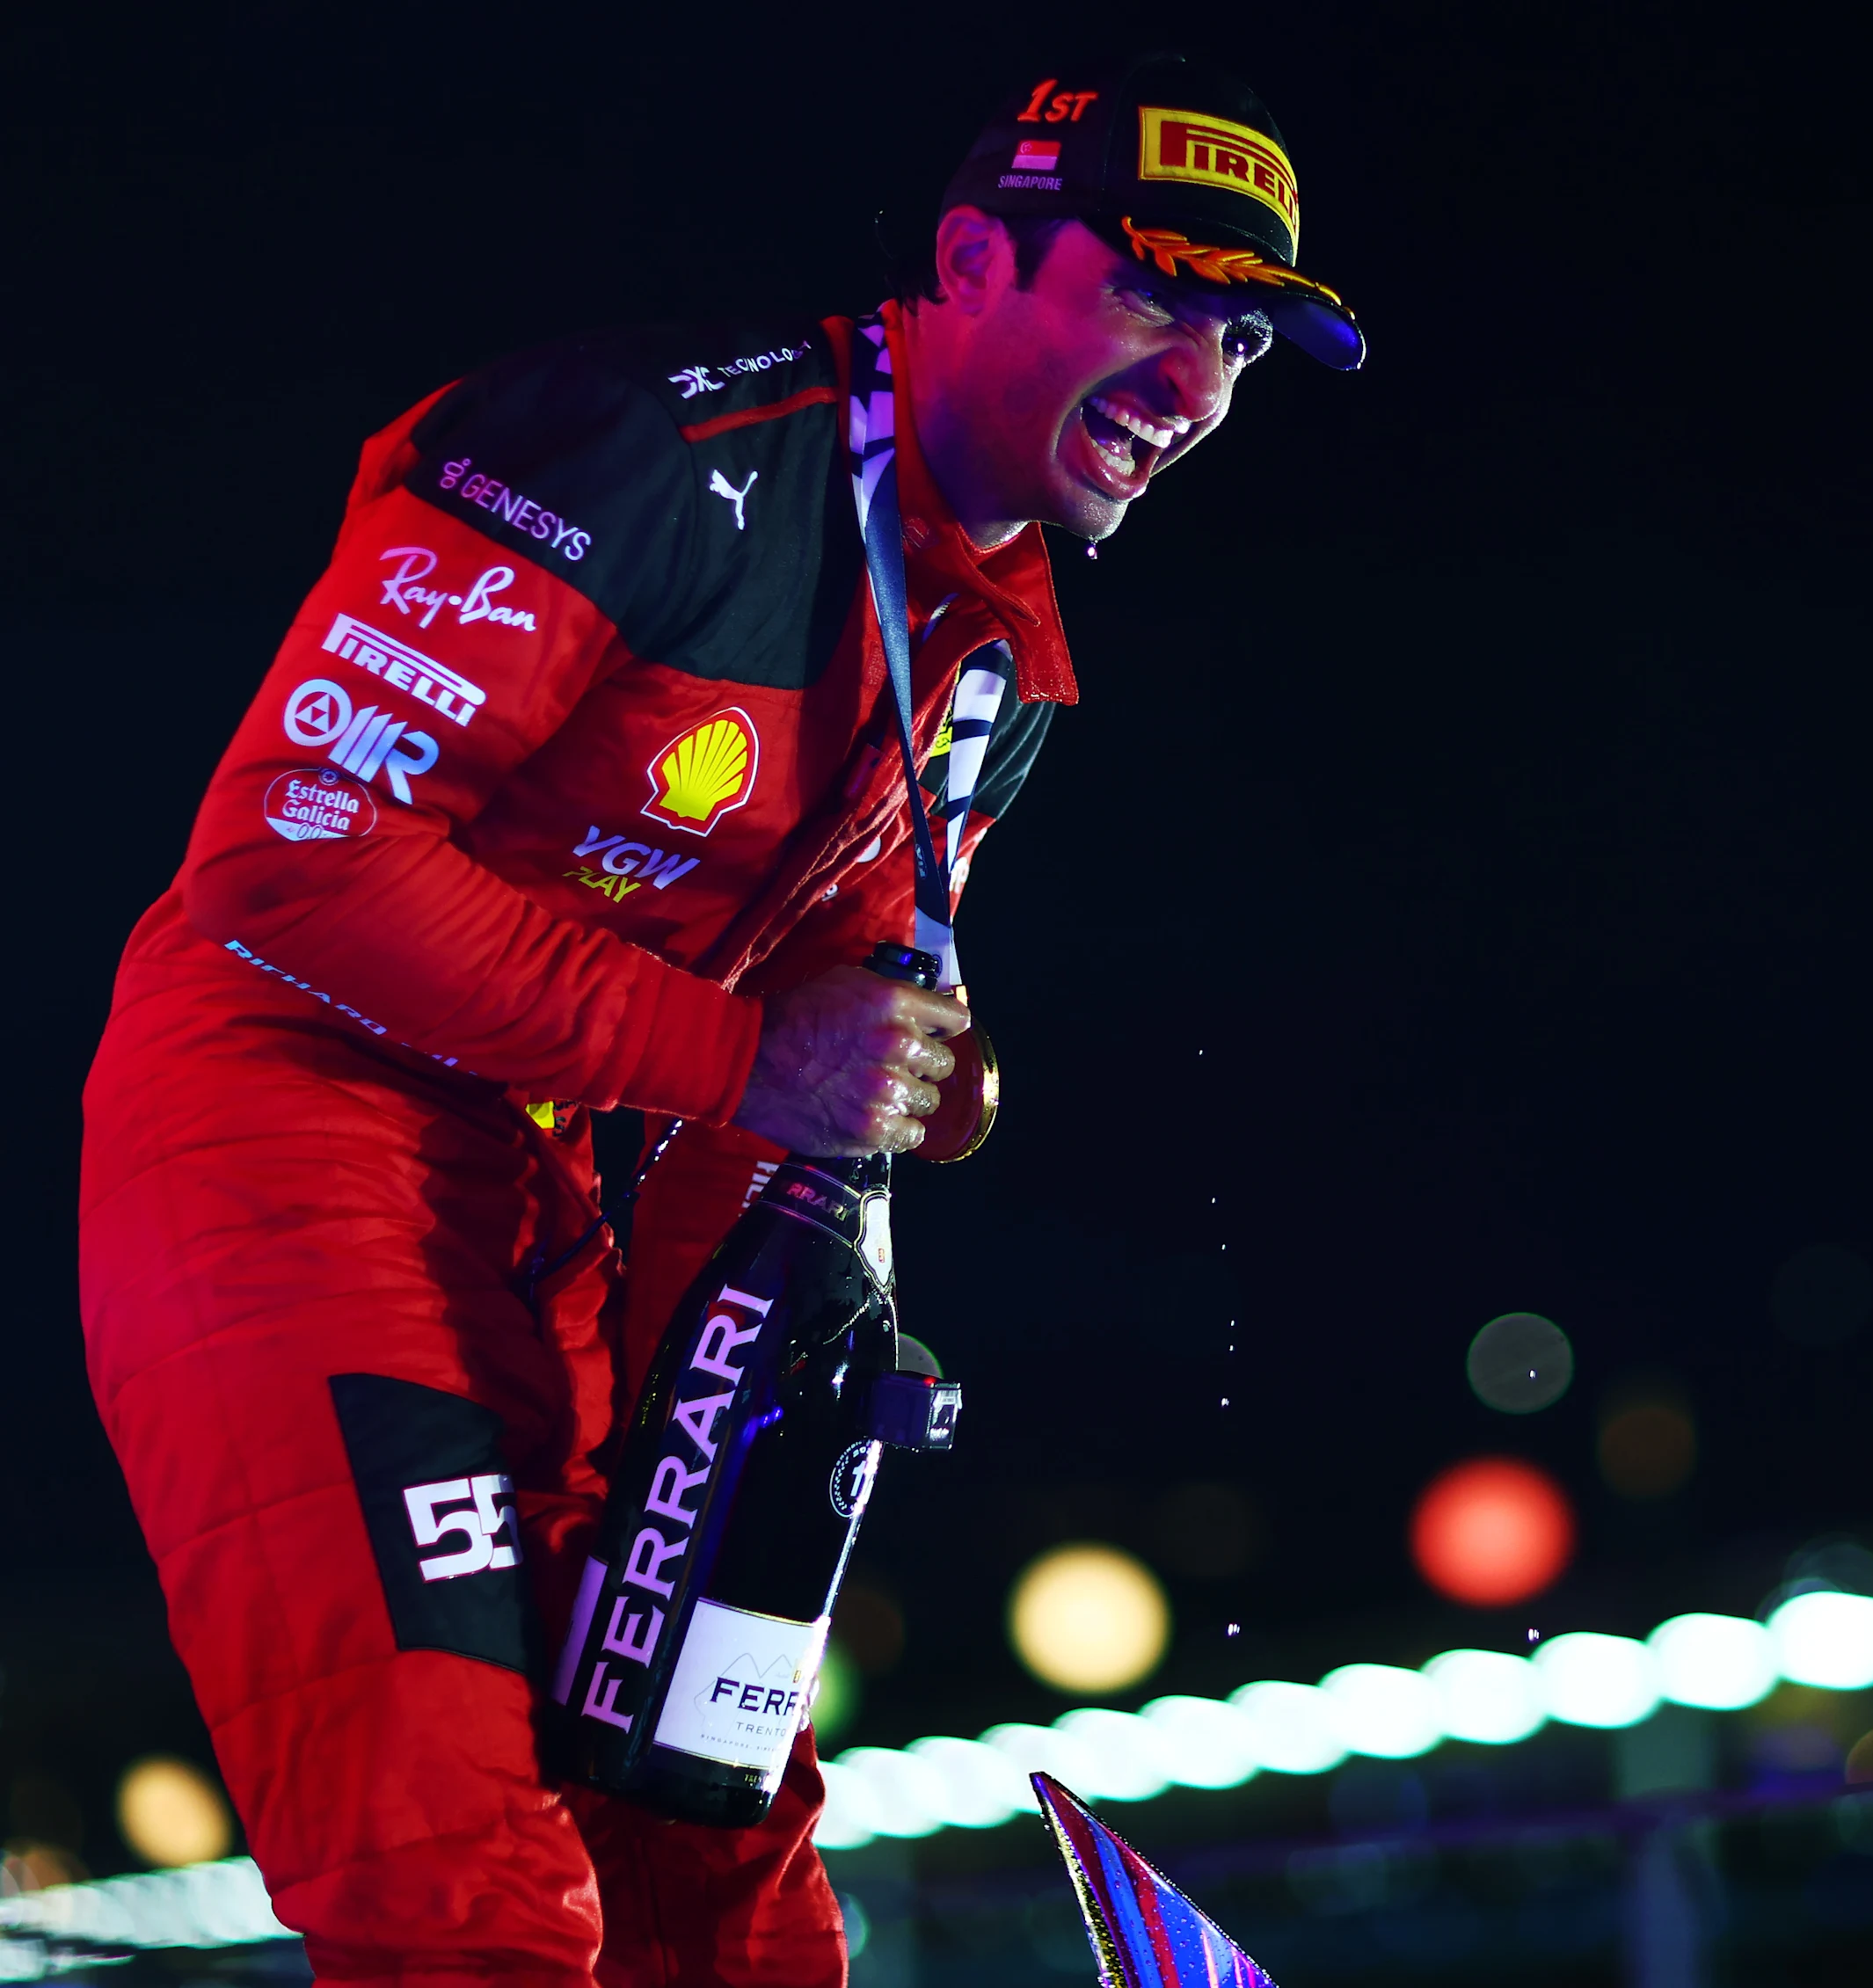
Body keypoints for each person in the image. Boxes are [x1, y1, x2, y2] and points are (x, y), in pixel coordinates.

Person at [75, 52, 1359, 1988]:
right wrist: (747, 1058)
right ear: (969, 262)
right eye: (1151, 297)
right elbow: (291, 859)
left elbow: (811, 1086)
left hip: (555, 1200)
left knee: (708, 1827)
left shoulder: (994, 654)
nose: (1197, 383)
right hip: (281, 1142)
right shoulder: (640, 449)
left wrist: (749, 1423)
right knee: (465, 1877)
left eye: (1242, 340)